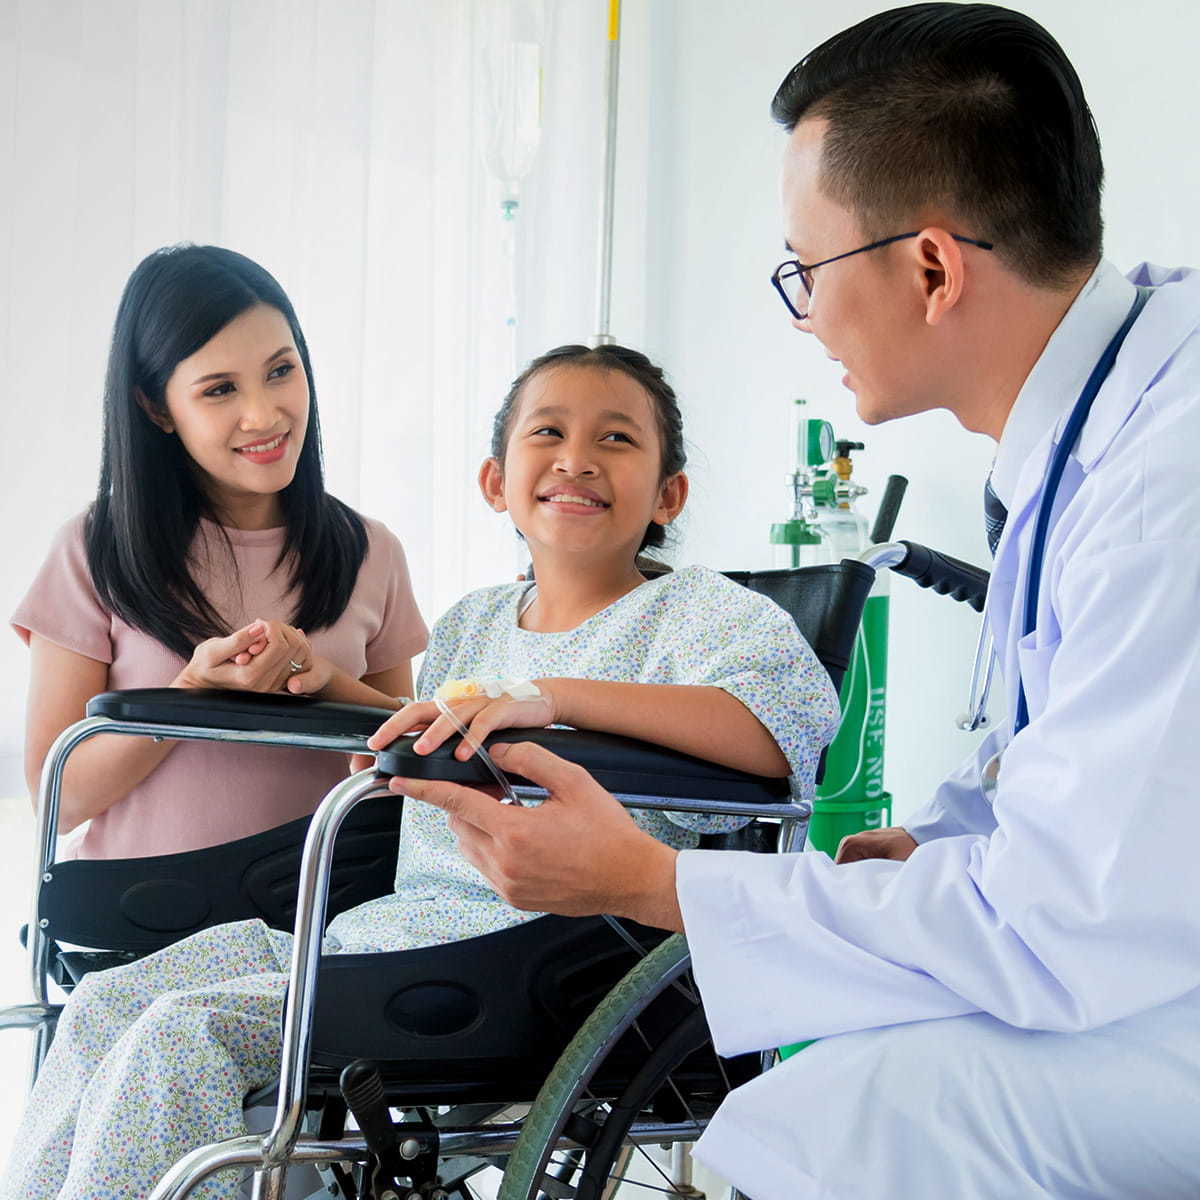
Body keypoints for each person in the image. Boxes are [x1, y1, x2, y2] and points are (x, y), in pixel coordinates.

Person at [398, 6, 1200, 1198]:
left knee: (822, 1125)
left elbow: (1066, 913)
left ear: (930, 266)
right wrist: (935, 847)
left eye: (804, 270)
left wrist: (643, 879)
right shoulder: (1098, 427)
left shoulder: (1158, 482)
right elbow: (1088, 793)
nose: (805, 313)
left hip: (1149, 1001)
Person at [2, 343, 839, 1199]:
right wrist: (325, 682)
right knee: (106, 1005)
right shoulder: (477, 621)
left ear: (670, 493)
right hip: (387, 934)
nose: (577, 458)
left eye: (617, 440)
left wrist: (544, 696)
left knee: (186, 1032)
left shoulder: (699, 612)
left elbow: (783, 726)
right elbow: (422, 738)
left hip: (533, 952)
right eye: (547, 432)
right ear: (495, 481)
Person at [12, 244, 426, 858]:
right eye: (219, 389)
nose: (263, 415)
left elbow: (405, 790)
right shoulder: (94, 549)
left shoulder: (370, 551)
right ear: (156, 408)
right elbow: (58, 799)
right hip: (140, 928)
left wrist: (325, 684)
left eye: (281, 371)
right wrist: (189, 694)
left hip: (320, 927)